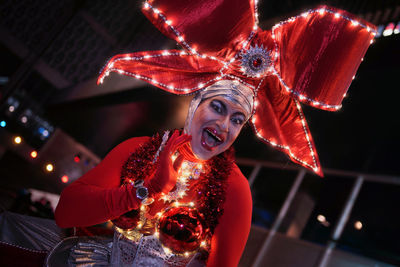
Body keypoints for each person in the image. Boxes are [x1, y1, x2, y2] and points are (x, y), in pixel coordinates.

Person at [53, 0, 376, 266]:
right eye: (218, 108)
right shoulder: (139, 148)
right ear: (195, 103)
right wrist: (145, 190)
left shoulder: (234, 189)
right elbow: (67, 212)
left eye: (237, 119)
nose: (224, 126)